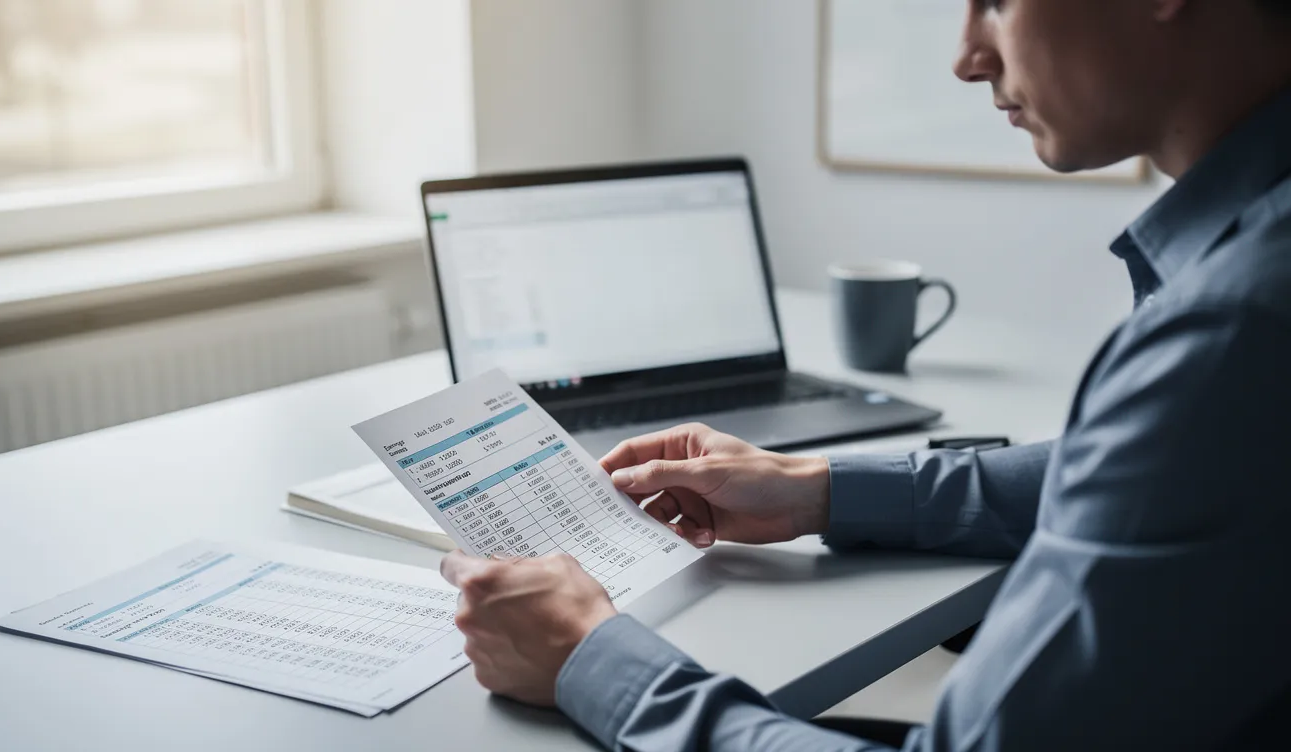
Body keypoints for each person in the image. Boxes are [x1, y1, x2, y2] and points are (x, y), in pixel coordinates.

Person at [439, 0, 1291, 748]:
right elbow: (1139, 477)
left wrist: (591, 657)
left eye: (995, 0)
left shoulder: (1232, 332)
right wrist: (821, 489)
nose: (967, 56)